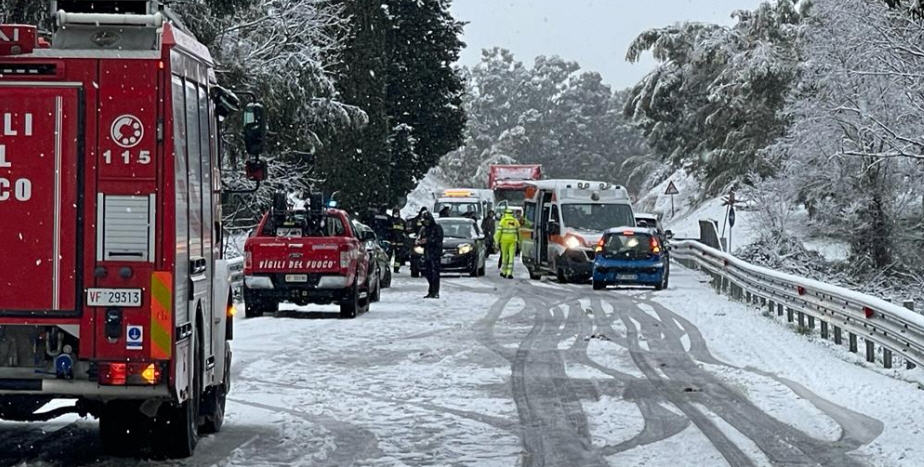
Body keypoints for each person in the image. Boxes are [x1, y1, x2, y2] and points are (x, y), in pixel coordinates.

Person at [417, 211, 444, 298]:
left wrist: (429, 241)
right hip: (427, 253)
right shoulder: (424, 229)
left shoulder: (437, 228)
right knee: (427, 272)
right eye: (425, 220)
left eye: (427, 220)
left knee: (435, 273)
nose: (426, 222)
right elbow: (420, 239)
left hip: (435, 253)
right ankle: (431, 290)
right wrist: (421, 242)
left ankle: (435, 291)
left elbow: (438, 239)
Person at [494, 208, 520, 279]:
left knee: (504, 256)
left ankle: (503, 271)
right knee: (511, 257)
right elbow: (519, 232)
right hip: (512, 241)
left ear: (505, 214)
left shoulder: (503, 221)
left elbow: (498, 232)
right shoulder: (515, 221)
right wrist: (519, 241)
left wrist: (496, 241)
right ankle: (509, 273)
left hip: (504, 241)